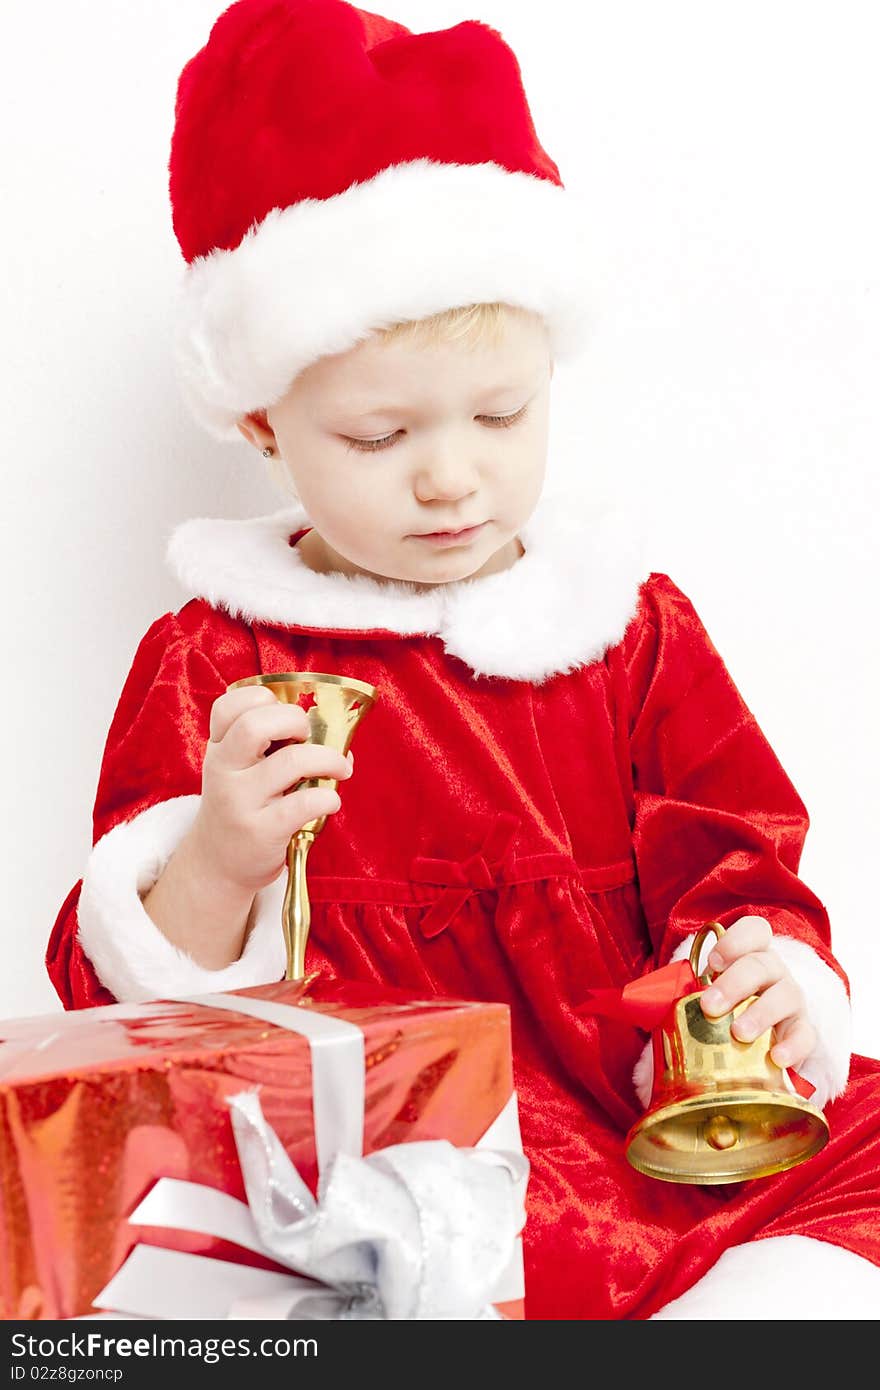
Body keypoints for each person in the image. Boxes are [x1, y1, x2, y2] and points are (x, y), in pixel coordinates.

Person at [46, 0, 880, 1319]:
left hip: (637, 1118)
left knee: (859, 1178)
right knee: (320, 1268)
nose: (452, 475)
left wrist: (766, 973)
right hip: (399, 1155)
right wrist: (214, 859)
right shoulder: (222, 658)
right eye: (380, 434)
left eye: (502, 413)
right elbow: (117, 1016)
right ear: (266, 423)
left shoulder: (624, 622)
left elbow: (738, 857)